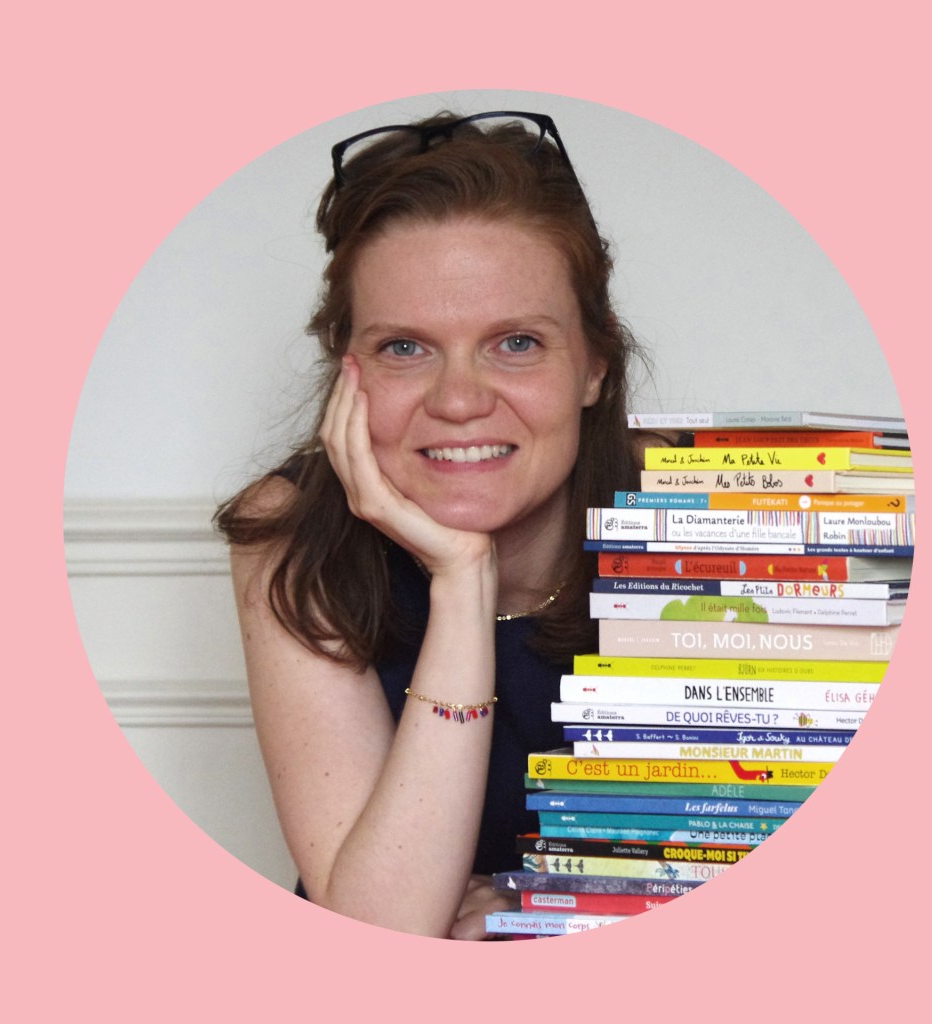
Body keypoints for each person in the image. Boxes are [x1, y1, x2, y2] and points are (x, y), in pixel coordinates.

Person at [217, 111, 648, 939]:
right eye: (404, 349)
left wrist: (541, 913)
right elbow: (385, 927)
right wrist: (461, 577)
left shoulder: (701, 515)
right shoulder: (289, 530)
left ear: (594, 365)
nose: (457, 401)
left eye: (516, 342)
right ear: (346, 366)